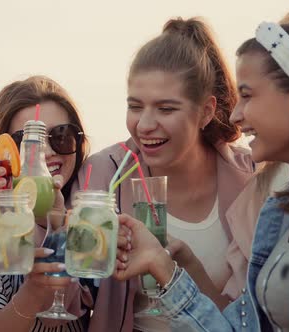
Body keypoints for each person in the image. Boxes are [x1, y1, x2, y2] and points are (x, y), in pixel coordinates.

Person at [115, 12, 289, 331]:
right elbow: (241, 326)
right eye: (136, 106)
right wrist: (166, 266)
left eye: (247, 95)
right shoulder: (279, 212)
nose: (234, 114)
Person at [72, 18, 255, 331]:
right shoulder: (103, 173)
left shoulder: (251, 178)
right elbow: (74, 296)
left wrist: (180, 270)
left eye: (166, 109)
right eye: (135, 106)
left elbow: (244, 321)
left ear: (206, 112)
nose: (144, 125)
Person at [0, 75, 104, 331]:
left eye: (60, 136)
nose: (46, 152)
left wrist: (56, 227)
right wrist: (34, 291)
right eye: (27, 141)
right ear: (3, 150)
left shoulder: (84, 220)